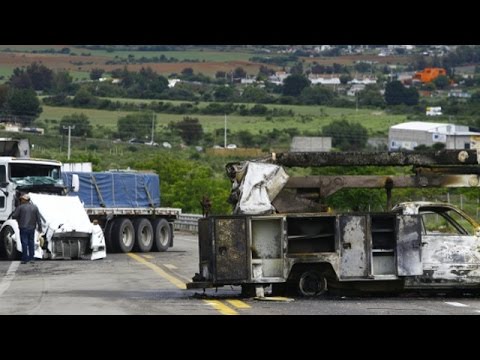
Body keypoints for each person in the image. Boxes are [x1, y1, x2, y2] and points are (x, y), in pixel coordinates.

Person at [11, 194, 43, 264]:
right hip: (32, 228)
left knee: (24, 243)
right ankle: (32, 258)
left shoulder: (20, 207)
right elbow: (38, 219)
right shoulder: (35, 207)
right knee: (31, 242)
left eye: (21, 199)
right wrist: (40, 228)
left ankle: (25, 258)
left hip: (23, 227)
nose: (21, 200)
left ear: (24, 200)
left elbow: (14, 216)